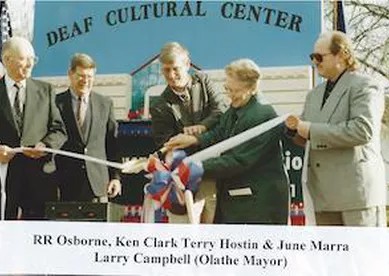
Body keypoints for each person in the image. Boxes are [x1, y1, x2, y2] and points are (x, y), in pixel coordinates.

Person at [165, 58, 290, 224]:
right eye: (227, 89)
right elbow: (220, 134)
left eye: (235, 91)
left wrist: (197, 167)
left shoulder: (261, 115)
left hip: (258, 205)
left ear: (253, 88)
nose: (230, 96)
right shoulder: (238, 107)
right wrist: (193, 140)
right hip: (238, 200)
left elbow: (238, 160)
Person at [285, 31, 386, 227]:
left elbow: (363, 130)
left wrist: (311, 130)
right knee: (330, 257)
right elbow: (306, 133)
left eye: (320, 57)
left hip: (355, 195)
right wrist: (293, 129)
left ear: (342, 55)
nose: (315, 62)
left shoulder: (365, 85)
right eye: (312, 57)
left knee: (363, 256)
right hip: (323, 195)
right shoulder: (314, 95)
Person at [150, 42, 228, 223]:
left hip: (213, 175)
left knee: (213, 236)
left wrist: (200, 130)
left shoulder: (204, 81)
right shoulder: (159, 106)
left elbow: (221, 111)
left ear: (187, 64)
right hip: (182, 182)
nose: (171, 75)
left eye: (175, 69)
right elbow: (164, 143)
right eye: (166, 70)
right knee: (183, 236)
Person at [0, 36, 67, 220]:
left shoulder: (45, 91)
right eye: (24, 58)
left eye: (33, 59)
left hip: (39, 180)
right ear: (6, 60)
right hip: (4, 181)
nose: (30, 64)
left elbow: (59, 130)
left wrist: (45, 146)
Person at [55, 53, 121, 203]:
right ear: (70, 74)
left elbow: (112, 145)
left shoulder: (105, 104)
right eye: (81, 76)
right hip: (64, 185)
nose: (85, 81)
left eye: (90, 77)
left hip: (98, 186)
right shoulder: (55, 103)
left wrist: (115, 177)